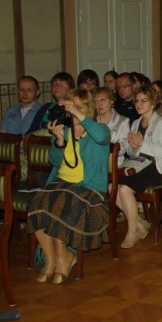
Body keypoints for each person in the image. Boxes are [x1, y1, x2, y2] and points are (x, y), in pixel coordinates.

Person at [27, 88, 111, 284]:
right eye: (70, 109)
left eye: (79, 108)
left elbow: (101, 137)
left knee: (59, 205)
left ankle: (64, 257)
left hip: (88, 188)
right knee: (36, 205)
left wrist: (78, 114)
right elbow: (54, 161)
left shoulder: (99, 130)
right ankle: (50, 260)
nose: (72, 113)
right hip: (61, 184)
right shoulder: (65, 130)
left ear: (88, 110)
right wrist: (59, 142)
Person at [116, 84, 162, 248]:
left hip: (158, 167)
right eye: (136, 101)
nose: (139, 104)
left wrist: (142, 144)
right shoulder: (135, 123)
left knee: (124, 189)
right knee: (111, 185)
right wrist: (133, 147)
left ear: (154, 102)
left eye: (144, 101)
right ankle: (140, 222)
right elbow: (130, 150)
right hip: (140, 165)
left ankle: (132, 230)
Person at [93, 86, 130, 165]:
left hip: (115, 166)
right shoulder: (92, 122)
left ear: (111, 101)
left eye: (103, 100)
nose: (99, 104)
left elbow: (125, 145)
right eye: (96, 101)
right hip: (95, 165)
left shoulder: (123, 121)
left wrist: (105, 150)